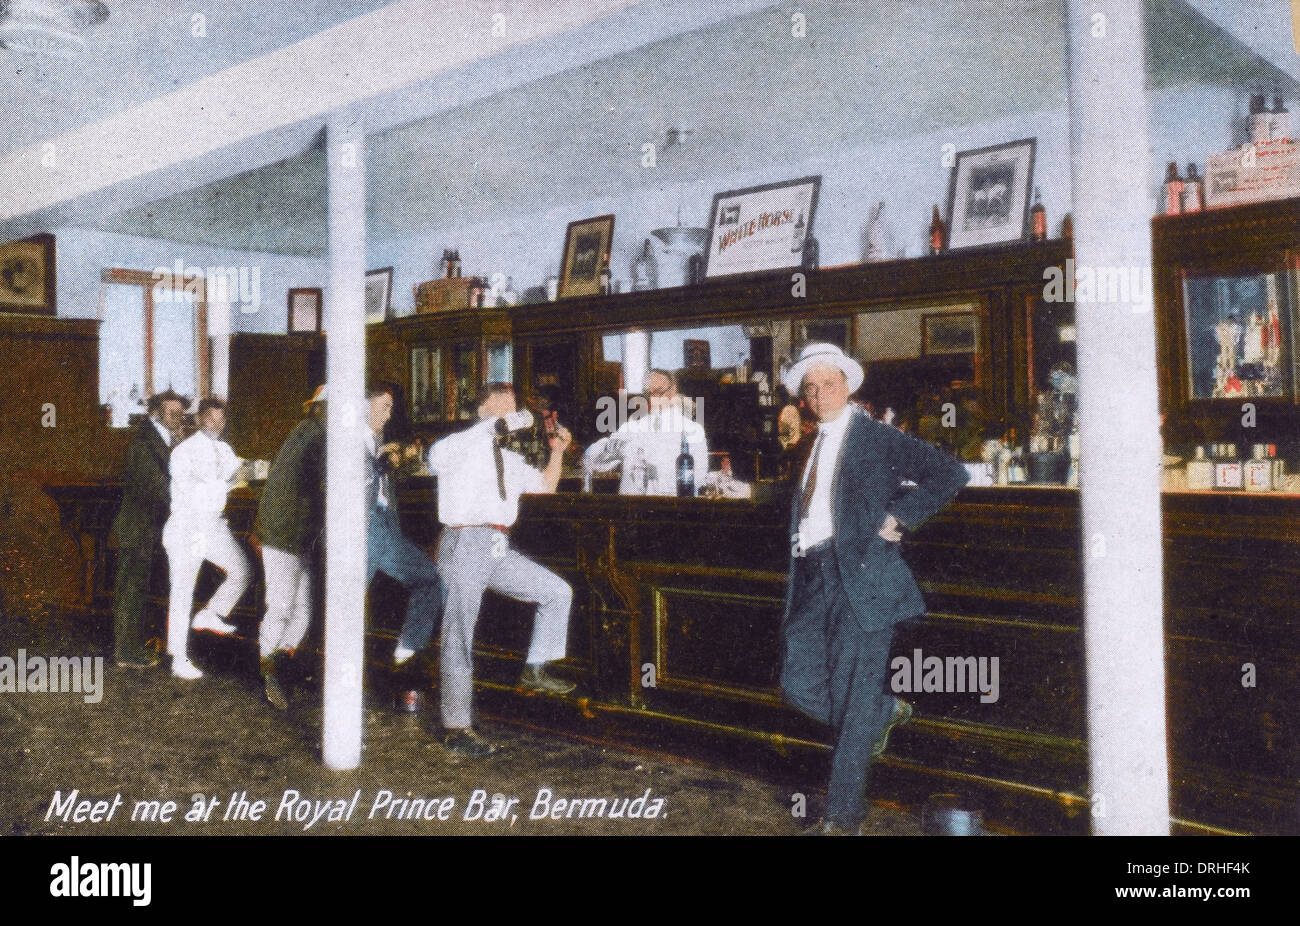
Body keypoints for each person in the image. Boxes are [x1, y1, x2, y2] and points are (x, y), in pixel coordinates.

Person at [779, 344, 968, 835]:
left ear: (848, 385)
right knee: (798, 683)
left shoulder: (876, 437)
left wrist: (901, 516)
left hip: (863, 581)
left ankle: (842, 821)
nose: (820, 395)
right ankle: (881, 709)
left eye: (828, 384)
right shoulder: (814, 441)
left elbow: (950, 473)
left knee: (853, 699)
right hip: (816, 576)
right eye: (811, 388)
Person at [428, 382, 574, 758]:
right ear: (481, 410)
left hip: (496, 545)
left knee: (557, 592)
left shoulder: (509, 460)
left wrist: (557, 452)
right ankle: (456, 726)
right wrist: (500, 424)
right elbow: (435, 458)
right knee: (459, 634)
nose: (511, 412)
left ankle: (535, 669)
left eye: (514, 405)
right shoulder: (456, 446)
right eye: (501, 405)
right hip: (464, 543)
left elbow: (543, 487)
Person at [160, 397, 251, 679]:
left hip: (211, 526)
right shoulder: (183, 452)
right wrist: (229, 482)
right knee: (183, 591)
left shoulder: (224, 449)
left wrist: (255, 471)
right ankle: (178, 658)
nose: (217, 424)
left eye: (221, 419)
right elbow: (195, 494)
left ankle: (211, 613)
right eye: (211, 419)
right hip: (187, 527)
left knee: (242, 570)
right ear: (199, 419)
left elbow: (242, 472)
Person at [254, 385, 326, 709]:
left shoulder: (307, 431)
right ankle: (270, 670)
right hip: (285, 533)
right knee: (285, 607)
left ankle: (279, 667)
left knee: (299, 609)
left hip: (292, 533)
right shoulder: (318, 437)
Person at [363, 384, 444, 665]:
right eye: (384, 407)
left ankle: (406, 650)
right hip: (362, 528)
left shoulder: (378, 441)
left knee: (431, 579)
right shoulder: (348, 441)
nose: (388, 415)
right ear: (364, 406)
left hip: (384, 528)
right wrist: (380, 463)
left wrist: (397, 462)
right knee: (346, 603)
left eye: (391, 409)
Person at [110, 389, 187, 668]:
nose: (179, 417)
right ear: (156, 413)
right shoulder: (145, 442)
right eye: (172, 413)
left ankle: (130, 649)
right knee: (131, 590)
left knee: (136, 589)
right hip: (137, 528)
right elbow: (159, 487)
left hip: (146, 529)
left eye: (181, 413)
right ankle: (127, 653)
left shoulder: (163, 439)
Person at [582, 368, 707, 495]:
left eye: (659, 392)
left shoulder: (692, 430)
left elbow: (698, 479)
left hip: (671, 510)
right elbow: (590, 460)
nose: (653, 400)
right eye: (649, 394)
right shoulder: (632, 427)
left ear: (673, 390)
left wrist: (654, 473)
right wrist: (613, 448)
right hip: (631, 510)